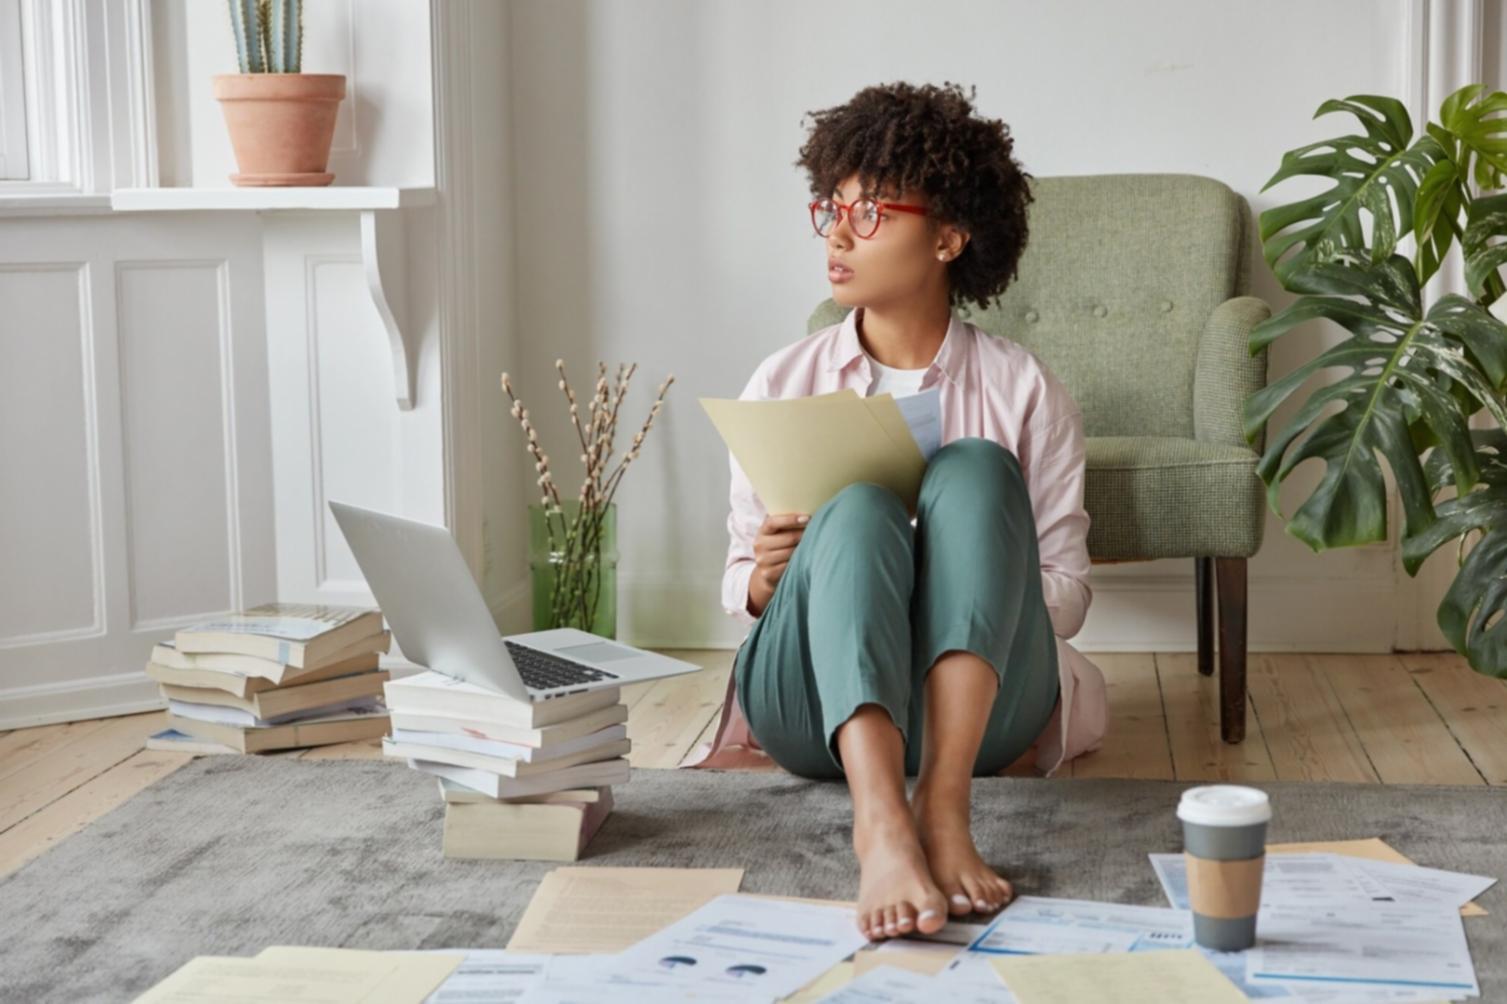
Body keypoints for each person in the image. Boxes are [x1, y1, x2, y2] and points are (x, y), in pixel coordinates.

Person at [689, 80, 1106, 943]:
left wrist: (962, 568)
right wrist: (766, 577)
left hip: (984, 716)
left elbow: (1065, 599)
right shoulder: (781, 381)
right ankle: (879, 825)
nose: (838, 234)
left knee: (976, 470)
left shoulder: (1024, 388)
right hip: (814, 709)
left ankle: (944, 810)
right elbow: (737, 587)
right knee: (857, 507)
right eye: (831, 208)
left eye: (871, 212)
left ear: (948, 237)